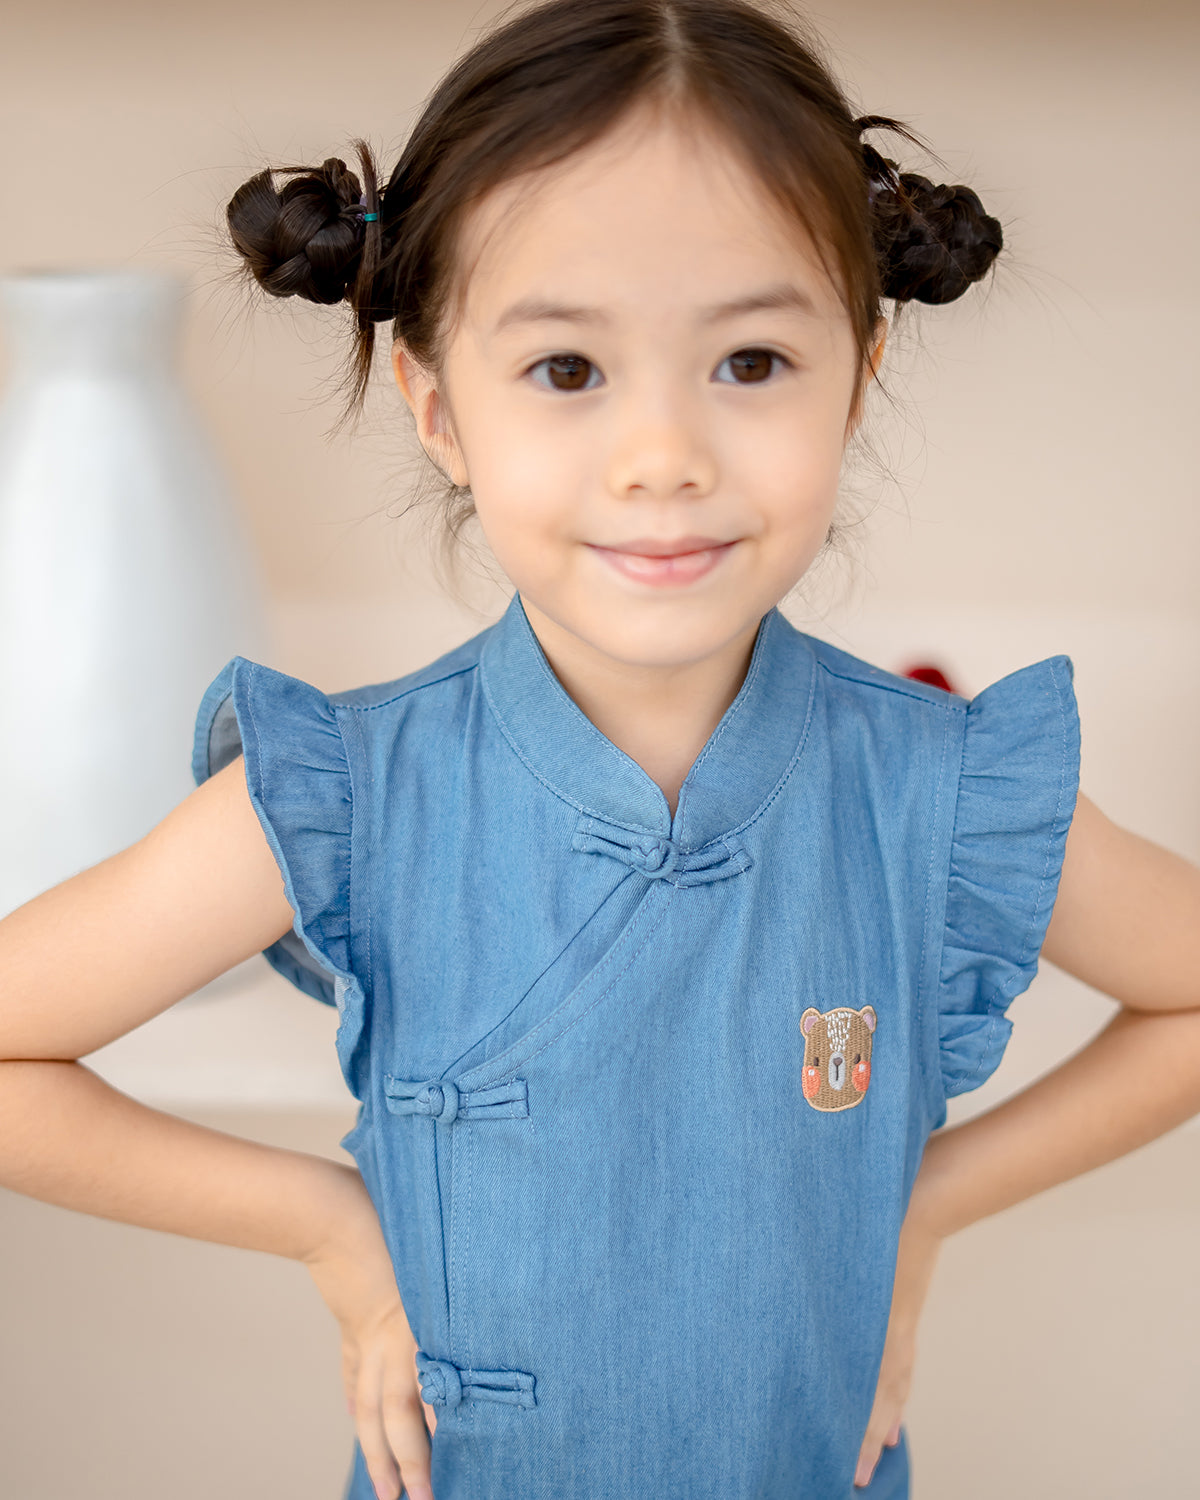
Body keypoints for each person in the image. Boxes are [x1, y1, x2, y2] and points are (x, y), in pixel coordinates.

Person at [1, 2, 1198, 1498]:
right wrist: (331, 1231)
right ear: (438, 410)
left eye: (753, 361)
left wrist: (922, 1207)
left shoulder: (934, 791)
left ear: (863, 372)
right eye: (568, 372)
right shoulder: (355, 798)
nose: (665, 456)